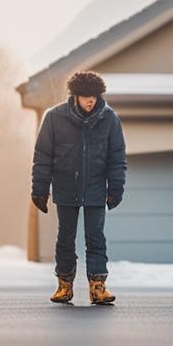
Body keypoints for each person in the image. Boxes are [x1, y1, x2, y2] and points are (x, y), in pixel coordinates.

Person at [30, 70, 127, 305]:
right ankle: (64, 286)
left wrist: (116, 187)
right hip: (65, 187)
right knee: (65, 237)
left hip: (95, 188)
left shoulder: (109, 119)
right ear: (75, 96)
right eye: (85, 96)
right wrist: (40, 189)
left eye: (94, 95)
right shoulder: (54, 117)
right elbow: (42, 156)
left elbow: (117, 157)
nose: (90, 100)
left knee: (96, 238)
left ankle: (98, 287)